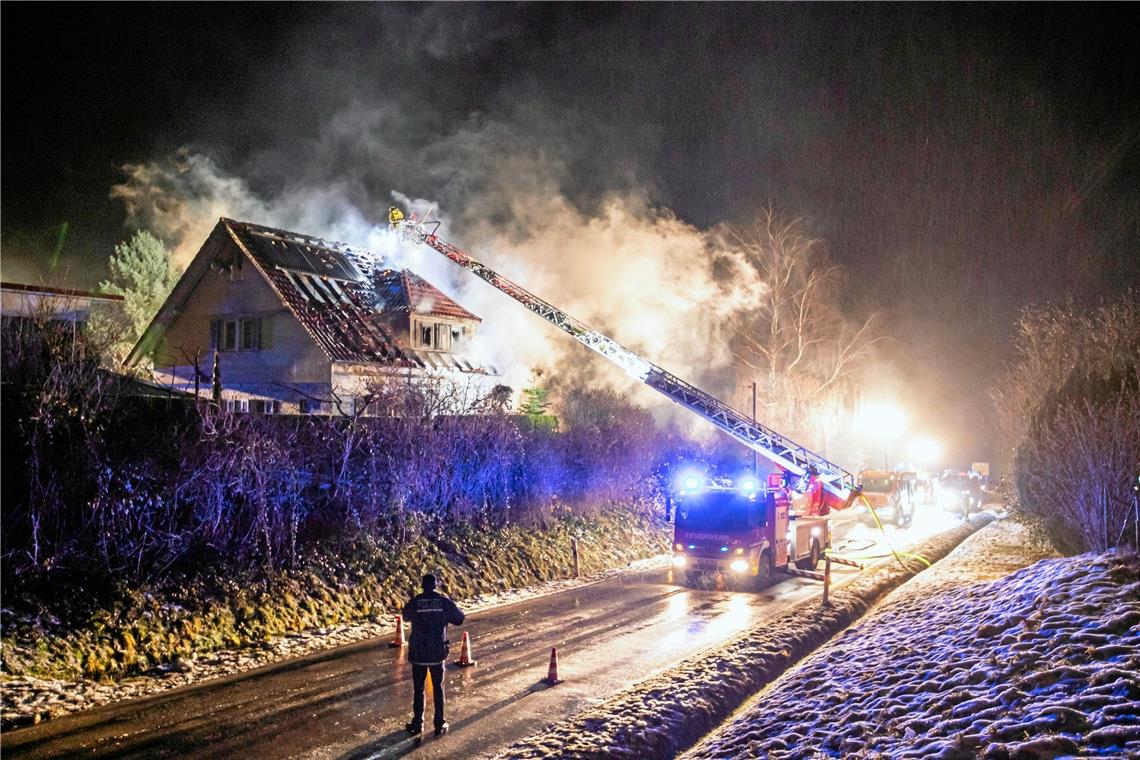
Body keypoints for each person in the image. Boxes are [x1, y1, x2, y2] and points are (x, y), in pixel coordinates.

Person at [402, 573, 465, 737]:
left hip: (418, 653)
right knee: (438, 688)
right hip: (437, 652)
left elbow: (405, 615)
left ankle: (417, 723)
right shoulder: (443, 602)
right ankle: (439, 722)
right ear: (435, 585)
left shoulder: (416, 602)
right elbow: (459, 619)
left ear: (422, 586)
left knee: (418, 688)